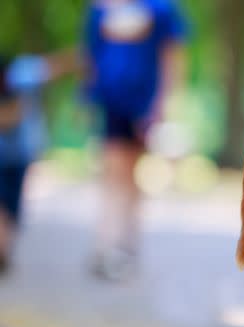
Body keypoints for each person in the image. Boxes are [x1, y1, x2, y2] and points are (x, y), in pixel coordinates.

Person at [83, 0, 187, 280]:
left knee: (126, 175)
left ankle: (120, 244)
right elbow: (92, 56)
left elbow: (171, 56)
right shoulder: (99, 9)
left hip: (142, 102)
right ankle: (111, 244)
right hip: (110, 101)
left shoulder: (161, 8)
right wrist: (87, 100)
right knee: (114, 172)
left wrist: (161, 104)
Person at [0, 52, 75, 274]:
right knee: (9, 206)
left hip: (18, 154)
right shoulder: (23, 73)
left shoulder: (21, 73)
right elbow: (55, 67)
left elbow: (54, 67)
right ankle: (4, 249)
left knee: (10, 206)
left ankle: (4, 249)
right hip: (18, 154)